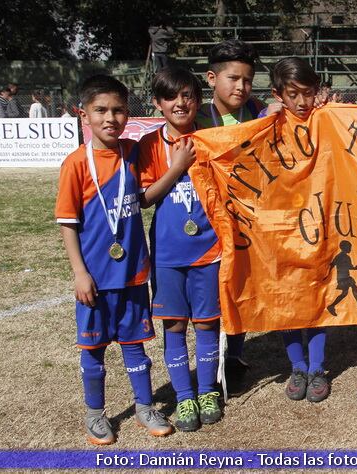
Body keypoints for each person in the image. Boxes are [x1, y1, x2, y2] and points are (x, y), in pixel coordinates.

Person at [55, 74, 173, 445]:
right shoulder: (76, 163)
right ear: (83, 114)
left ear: (128, 113)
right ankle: (95, 414)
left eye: (119, 110)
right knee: (93, 348)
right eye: (101, 110)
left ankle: (144, 406)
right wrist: (79, 273)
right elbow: (68, 223)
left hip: (133, 273)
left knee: (135, 345)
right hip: (95, 278)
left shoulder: (132, 153)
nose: (111, 118)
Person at [136, 66, 224, 432]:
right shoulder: (150, 145)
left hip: (209, 250)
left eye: (187, 95)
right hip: (169, 253)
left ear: (198, 99)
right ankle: (184, 395)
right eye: (171, 96)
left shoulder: (211, 139)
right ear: (158, 103)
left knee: (206, 322)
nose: (180, 102)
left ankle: (206, 391)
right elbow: (143, 198)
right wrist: (176, 168)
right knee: (174, 325)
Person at [195, 39, 268, 393]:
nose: (241, 87)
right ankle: (210, 359)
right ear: (212, 78)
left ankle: (235, 355)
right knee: (210, 291)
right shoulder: (195, 117)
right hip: (205, 220)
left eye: (248, 80)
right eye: (233, 78)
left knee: (241, 285)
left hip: (248, 218)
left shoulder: (259, 113)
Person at [266, 57, 331, 403]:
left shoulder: (324, 118)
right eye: (293, 94)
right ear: (279, 94)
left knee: (317, 293)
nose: (302, 102)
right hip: (278, 227)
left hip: (319, 222)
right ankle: (297, 364)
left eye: (309, 93)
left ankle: (318, 366)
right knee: (286, 298)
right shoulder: (266, 123)